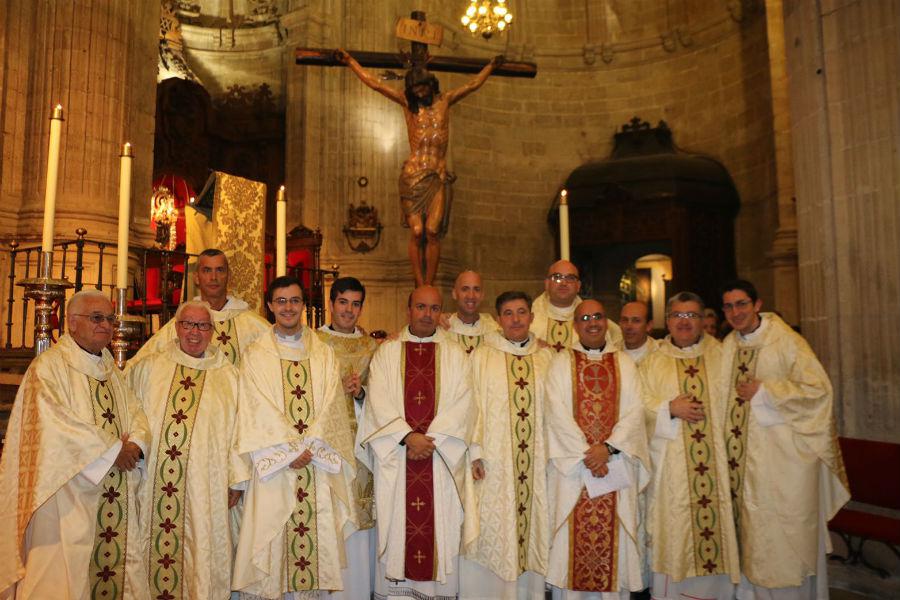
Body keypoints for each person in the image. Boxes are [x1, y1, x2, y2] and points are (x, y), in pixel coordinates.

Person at [0, 290, 150, 599]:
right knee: (62, 576)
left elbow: (135, 410)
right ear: (71, 322)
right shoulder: (49, 367)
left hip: (114, 490)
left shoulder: (110, 368)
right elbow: (54, 423)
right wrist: (113, 451)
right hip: (66, 495)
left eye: (110, 319)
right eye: (96, 318)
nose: (105, 325)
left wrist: (135, 443)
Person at [718, 280, 849, 599]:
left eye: (741, 304)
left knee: (785, 540)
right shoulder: (728, 345)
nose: (735, 312)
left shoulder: (786, 341)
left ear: (757, 304)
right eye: (729, 306)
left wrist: (766, 392)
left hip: (784, 465)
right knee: (751, 538)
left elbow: (819, 392)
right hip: (743, 467)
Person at [232, 276, 358, 598]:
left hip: (315, 464)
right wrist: (289, 452)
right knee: (272, 548)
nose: (288, 307)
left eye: (295, 301)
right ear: (270, 306)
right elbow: (254, 407)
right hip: (274, 467)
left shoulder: (323, 353)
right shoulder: (255, 354)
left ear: (304, 305)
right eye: (281, 301)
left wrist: (310, 447)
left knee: (312, 554)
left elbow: (332, 405)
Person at [338, 49, 503, 286]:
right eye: (415, 89)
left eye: (422, 88)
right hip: (412, 176)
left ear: (430, 84)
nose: (419, 93)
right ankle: (419, 283)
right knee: (417, 232)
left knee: (433, 231)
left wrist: (490, 66)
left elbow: (472, 85)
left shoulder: (445, 101)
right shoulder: (408, 105)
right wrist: (350, 61)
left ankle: (429, 284)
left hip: (436, 176)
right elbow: (375, 84)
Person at [357, 285, 476, 599]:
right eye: (421, 307)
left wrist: (430, 441)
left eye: (434, 308)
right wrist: (408, 437)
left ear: (441, 312)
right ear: (408, 310)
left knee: (440, 528)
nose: (427, 314)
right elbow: (377, 401)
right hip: (399, 458)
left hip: (439, 459)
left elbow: (465, 404)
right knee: (399, 526)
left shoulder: (455, 354)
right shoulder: (387, 353)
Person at [125, 300, 248, 600]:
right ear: (177, 328)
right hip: (154, 482)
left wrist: (237, 479)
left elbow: (242, 430)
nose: (195, 332)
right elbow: (128, 413)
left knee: (199, 558)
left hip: (205, 487)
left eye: (203, 326)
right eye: (188, 324)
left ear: (212, 331)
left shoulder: (229, 376)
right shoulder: (148, 367)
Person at [544, 299, 649, 599]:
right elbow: (555, 412)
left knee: (614, 547)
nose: (592, 323)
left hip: (615, 467)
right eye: (585, 318)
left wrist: (609, 449)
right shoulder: (561, 363)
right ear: (575, 325)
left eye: (598, 317)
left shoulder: (624, 364)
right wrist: (589, 455)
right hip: (574, 471)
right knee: (571, 547)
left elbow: (635, 411)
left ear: (606, 322)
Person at [639, 292, 739, 600]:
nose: (684, 322)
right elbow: (635, 406)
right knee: (675, 537)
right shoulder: (652, 361)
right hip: (671, 475)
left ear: (703, 320)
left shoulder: (723, 356)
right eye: (678, 315)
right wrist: (668, 409)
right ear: (668, 320)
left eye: (692, 315)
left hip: (717, 470)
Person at [460, 291, 550, 599]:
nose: (515, 319)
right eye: (508, 313)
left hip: (536, 464)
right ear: (498, 319)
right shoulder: (483, 356)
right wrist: (474, 453)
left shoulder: (547, 358)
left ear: (532, 317)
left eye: (521, 312)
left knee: (532, 531)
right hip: (494, 464)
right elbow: (471, 405)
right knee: (493, 530)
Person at [316, 276, 379, 599]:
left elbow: (384, 397)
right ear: (331, 304)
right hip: (327, 447)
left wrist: (361, 393)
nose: (348, 310)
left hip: (362, 449)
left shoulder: (372, 347)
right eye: (343, 302)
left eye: (356, 304)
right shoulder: (314, 343)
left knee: (359, 519)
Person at [134, 248, 270, 365]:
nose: (214, 277)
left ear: (228, 276)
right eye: (207, 270)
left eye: (220, 270)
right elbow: (142, 362)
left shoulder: (252, 325)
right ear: (196, 278)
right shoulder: (181, 324)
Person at [530, 260, 622, 352]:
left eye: (570, 278)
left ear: (578, 286)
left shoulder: (598, 322)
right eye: (557, 277)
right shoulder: (528, 318)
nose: (563, 283)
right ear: (547, 283)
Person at [442, 270, 499, 354]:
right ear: (454, 294)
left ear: (482, 295)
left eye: (476, 289)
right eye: (465, 289)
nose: (471, 296)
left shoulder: (494, 330)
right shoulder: (443, 329)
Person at [617, 300, 658, 365]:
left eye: (636, 321)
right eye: (625, 320)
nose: (629, 326)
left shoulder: (662, 354)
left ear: (649, 326)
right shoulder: (611, 353)